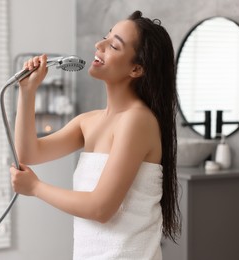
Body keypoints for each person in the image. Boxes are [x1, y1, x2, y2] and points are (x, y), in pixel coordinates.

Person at [10, 10, 180, 259]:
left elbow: (101, 208)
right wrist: (28, 91)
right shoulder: (88, 121)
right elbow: (28, 152)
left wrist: (36, 187)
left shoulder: (137, 121)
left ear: (136, 69)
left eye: (113, 45)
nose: (98, 45)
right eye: (104, 37)